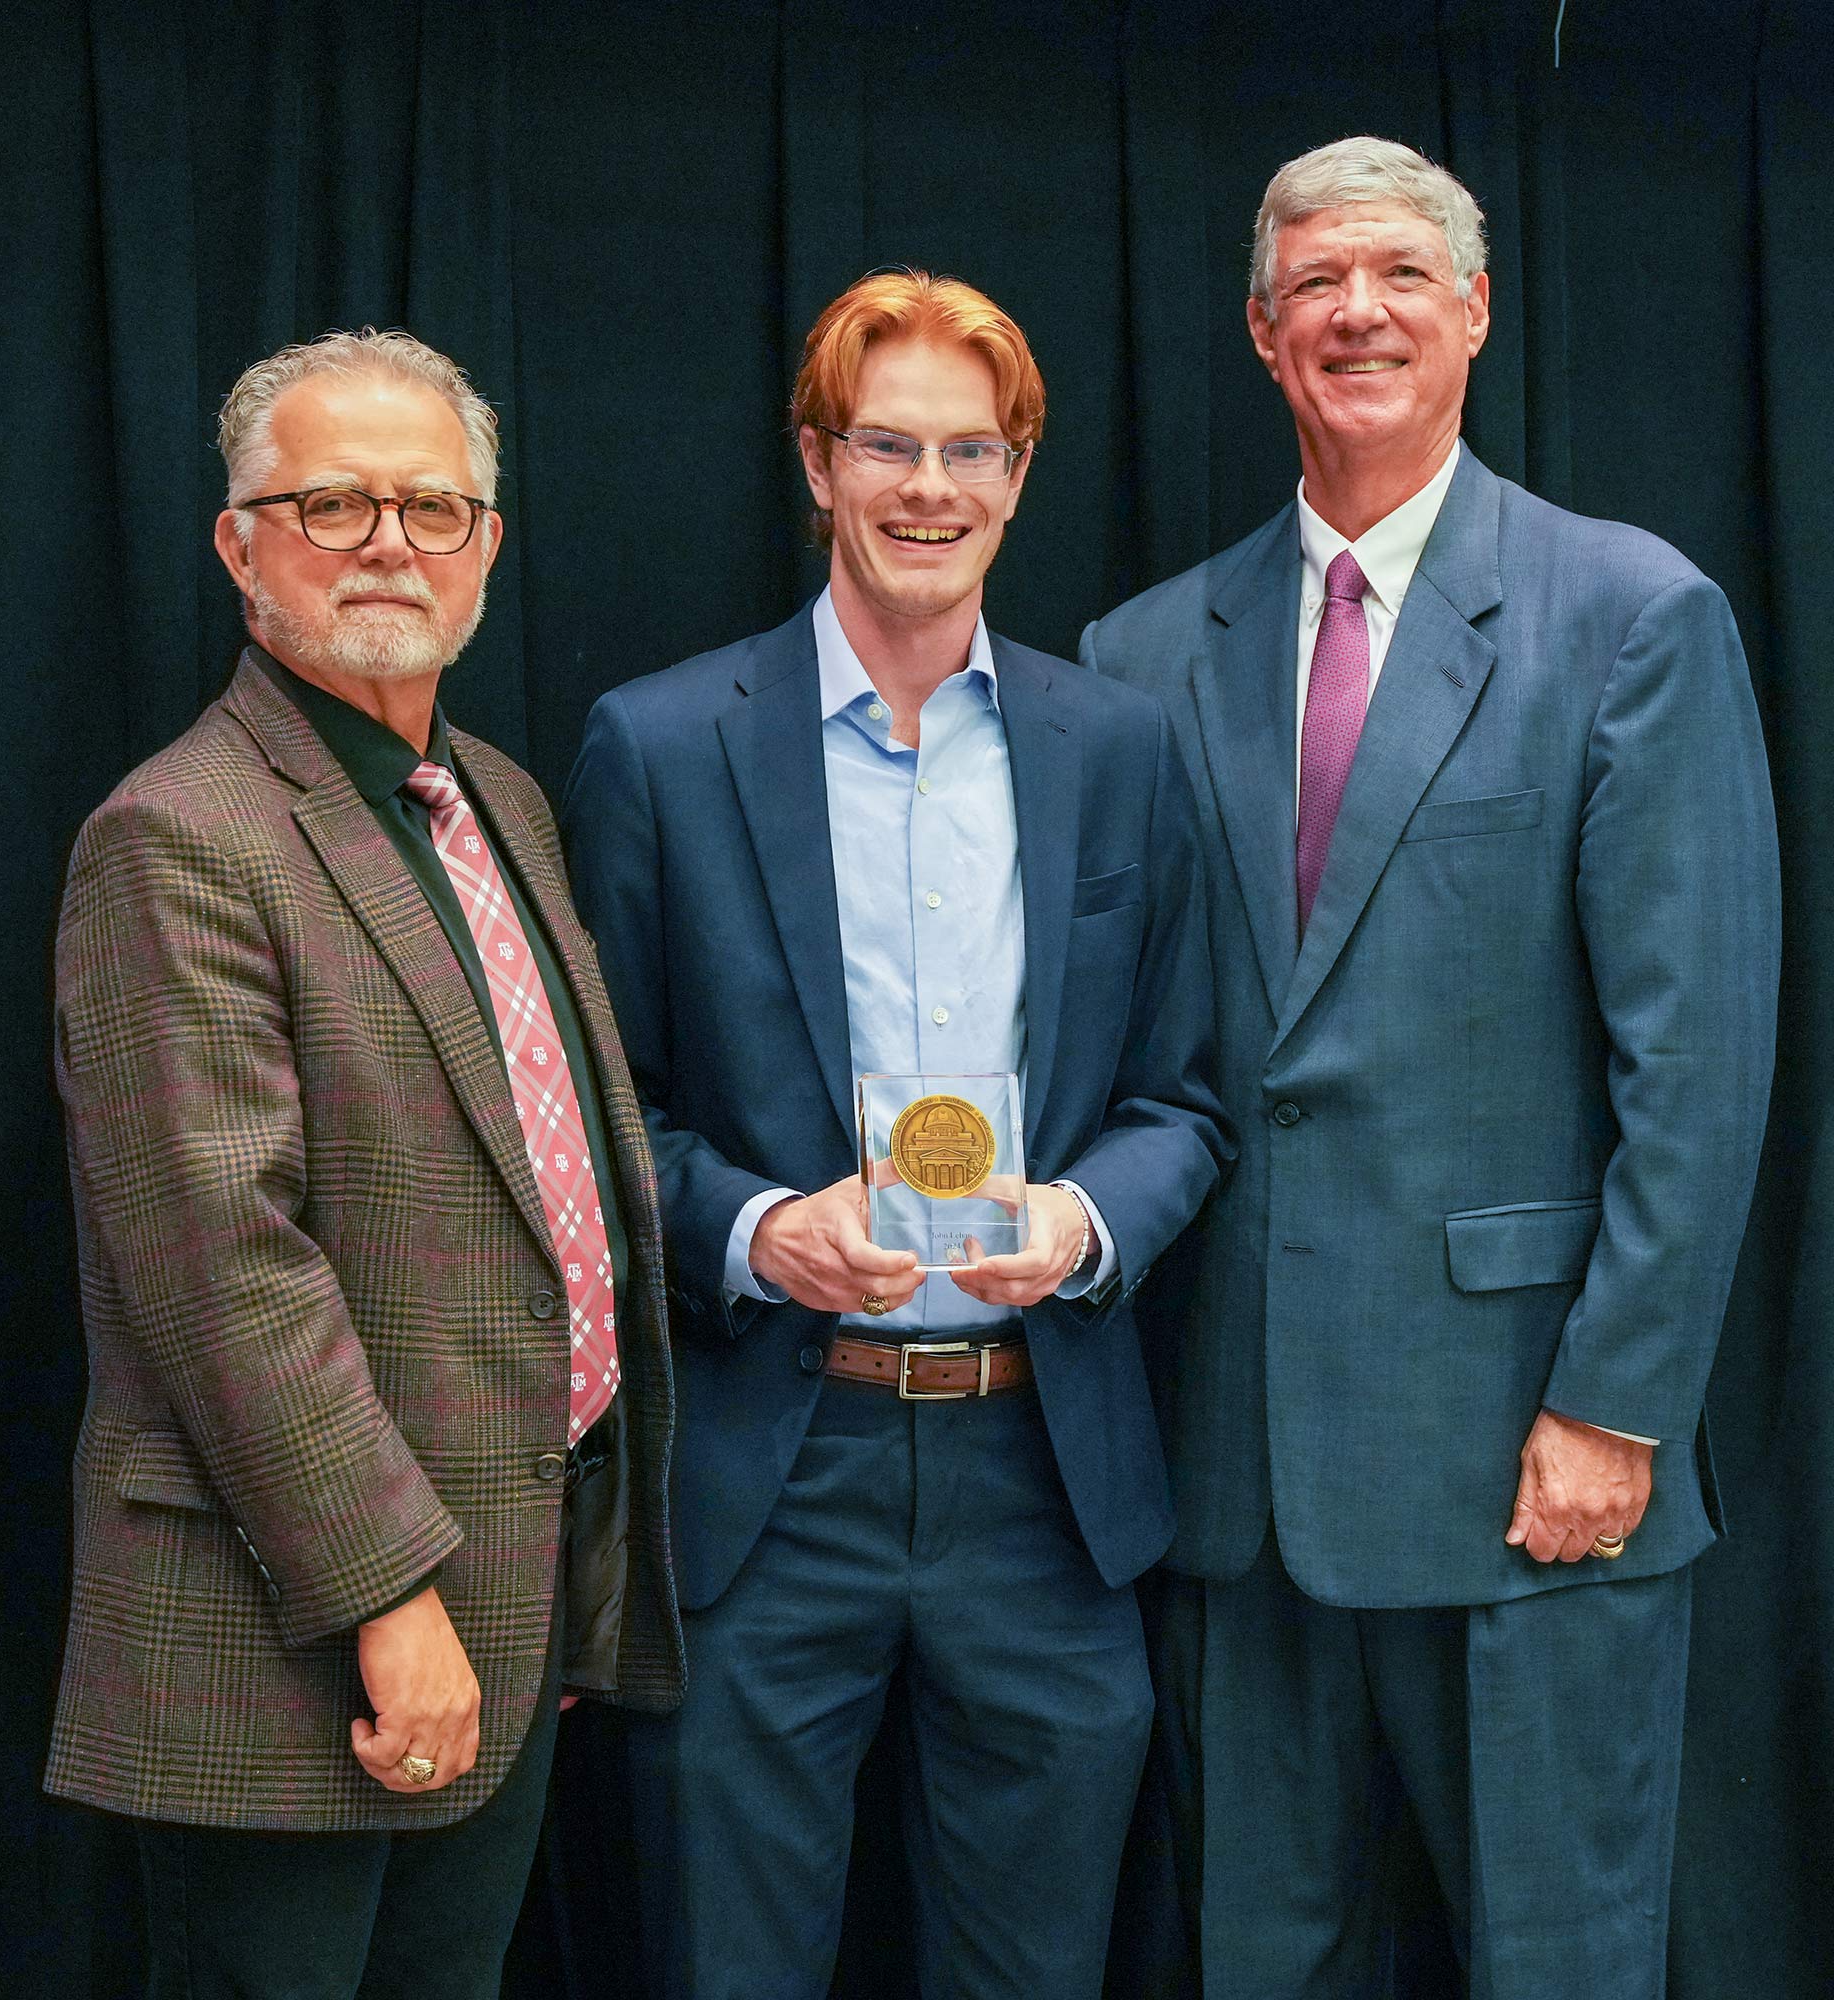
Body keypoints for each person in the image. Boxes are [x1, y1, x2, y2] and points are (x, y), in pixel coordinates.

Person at [1083, 138, 1781, 1999]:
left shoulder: (1630, 614)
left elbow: (1697, 1066)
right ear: (1258, 331)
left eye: (1402, 274)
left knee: (1554, 1965)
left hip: (1527, 1463)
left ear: (1475, 312)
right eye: (1316, 283)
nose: (1359, 311)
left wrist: (1617, 1407)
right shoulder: (1143, 651)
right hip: (1232, 1481)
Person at [561, 269, 1228, 2000]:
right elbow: (595, 1102)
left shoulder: (1123, 748)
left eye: (971, 450)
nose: (929, 489)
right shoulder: (657, 744)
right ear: (815, 462)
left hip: (1042, 1475)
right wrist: (752, 1227)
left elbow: (1186, 1099)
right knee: (732, 1965)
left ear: (1018, 476)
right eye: (887, 446)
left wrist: (1086, 1222)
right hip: (773, 1469)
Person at [44, 329, 681, 1998]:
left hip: (505, 1605)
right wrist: (396, 1606)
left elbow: (553, 1192)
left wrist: (538, 1581)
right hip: (301, 1639)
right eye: (329, 505)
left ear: (489, 543)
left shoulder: (502, 807)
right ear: (236, 545)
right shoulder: (178, 836)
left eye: (431, 507)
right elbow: (223, 1275)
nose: (388, 543)